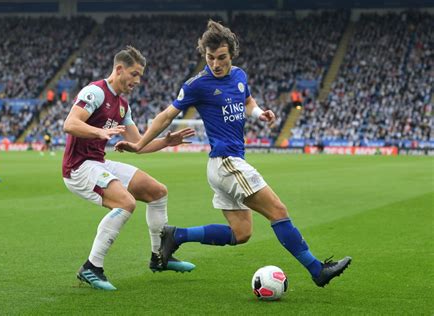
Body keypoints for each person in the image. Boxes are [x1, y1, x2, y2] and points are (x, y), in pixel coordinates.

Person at [115, 21, 351, 288]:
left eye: (221, 58)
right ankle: (317, 270)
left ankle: (176, 235)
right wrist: (139, 144)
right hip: (226, 162)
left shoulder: (239, 76)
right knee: (278, 210)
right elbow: (166, 116)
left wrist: (259, 113)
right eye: (210, 58)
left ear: (232, 55)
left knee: (242, 233)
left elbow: (247, 101)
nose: (216, 64)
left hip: (227, 165)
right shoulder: (197, 85)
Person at [62, 46, 196, 291]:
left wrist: (166, 141)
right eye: (134, 74)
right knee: (126, 203)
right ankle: (92, 267)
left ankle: (159, 258)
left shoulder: (123, 105)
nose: (138, 80)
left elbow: (138, 145)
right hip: (78, 167)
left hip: (98, 161)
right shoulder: (96, 92)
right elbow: (70, 124)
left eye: (140, 76)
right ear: (119, 69)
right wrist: (99, 131)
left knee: (157, 192)